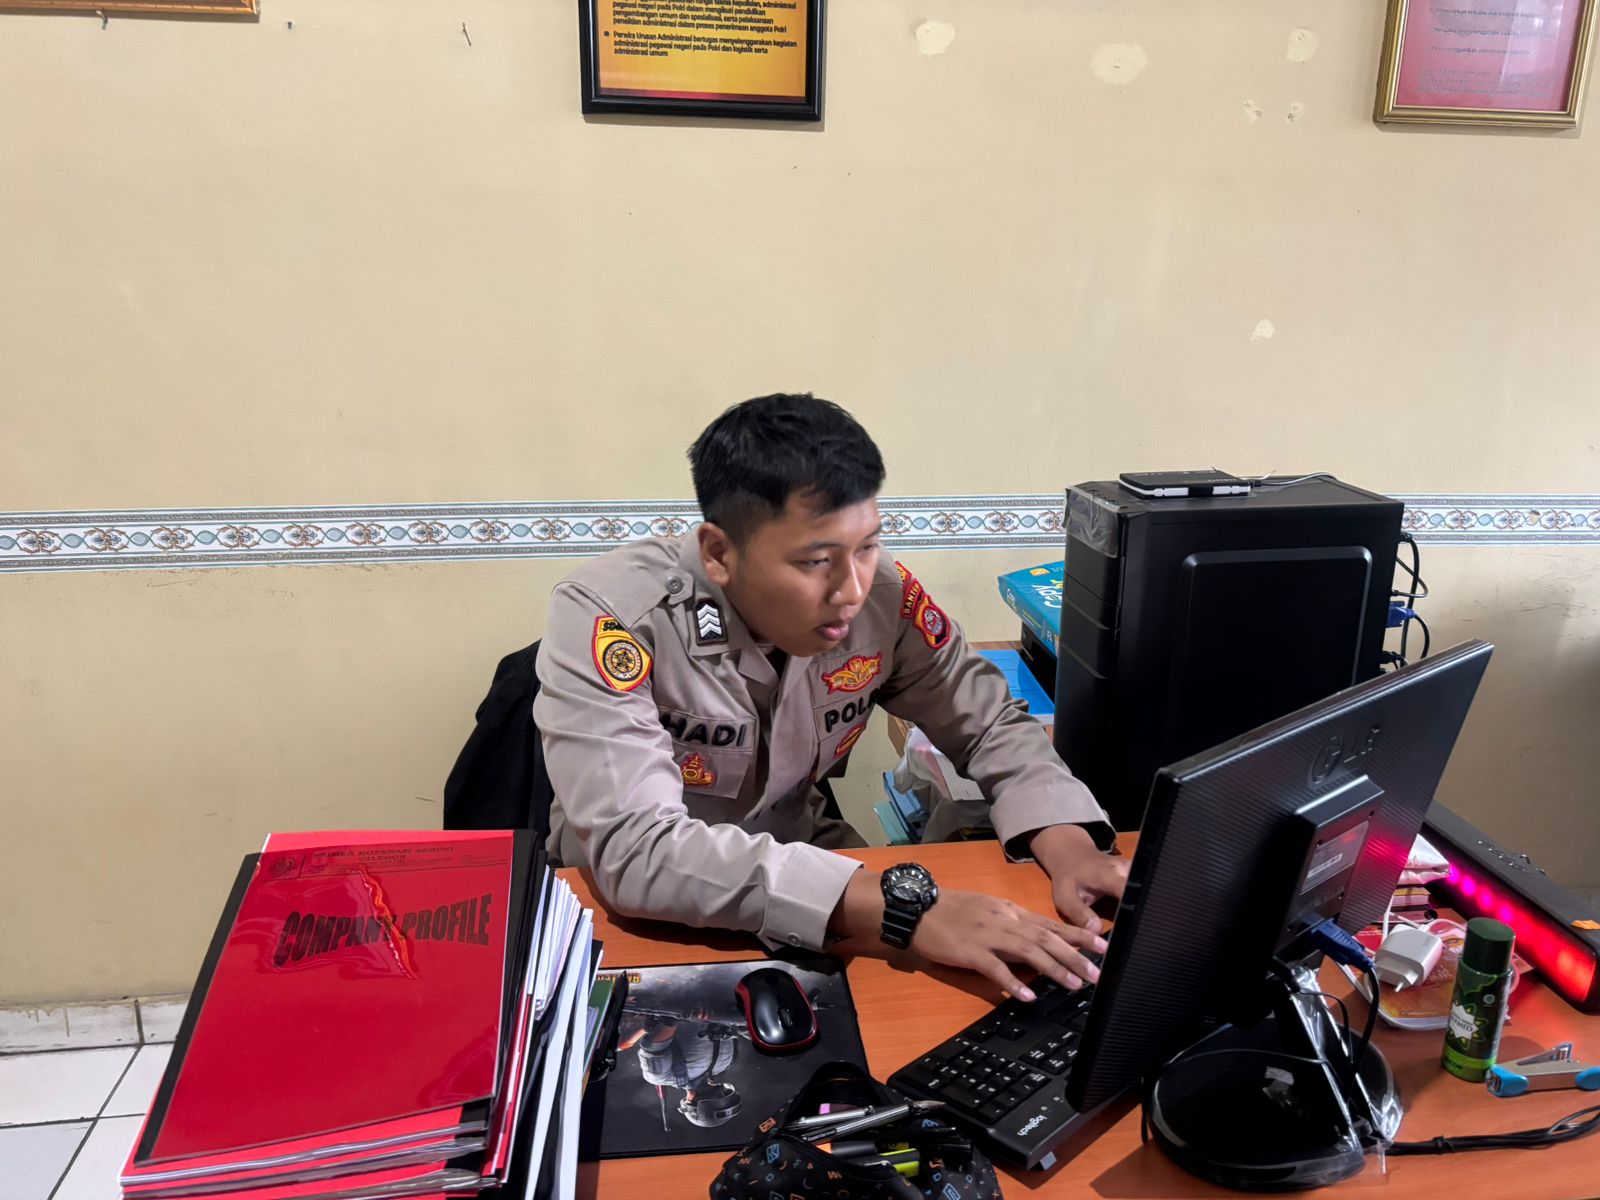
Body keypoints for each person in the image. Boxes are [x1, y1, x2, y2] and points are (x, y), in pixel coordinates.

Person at [534, 394, 1128, 1002]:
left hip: (805, 862)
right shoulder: (613, 616)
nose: (851, 589)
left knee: (1004, 998)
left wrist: (1069, 844)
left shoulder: (884, 595)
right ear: (719, 553)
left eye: (867, 545)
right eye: (817, 561)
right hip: (640, 908)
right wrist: (905, 908)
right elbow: (637, 851)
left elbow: (988, 723)